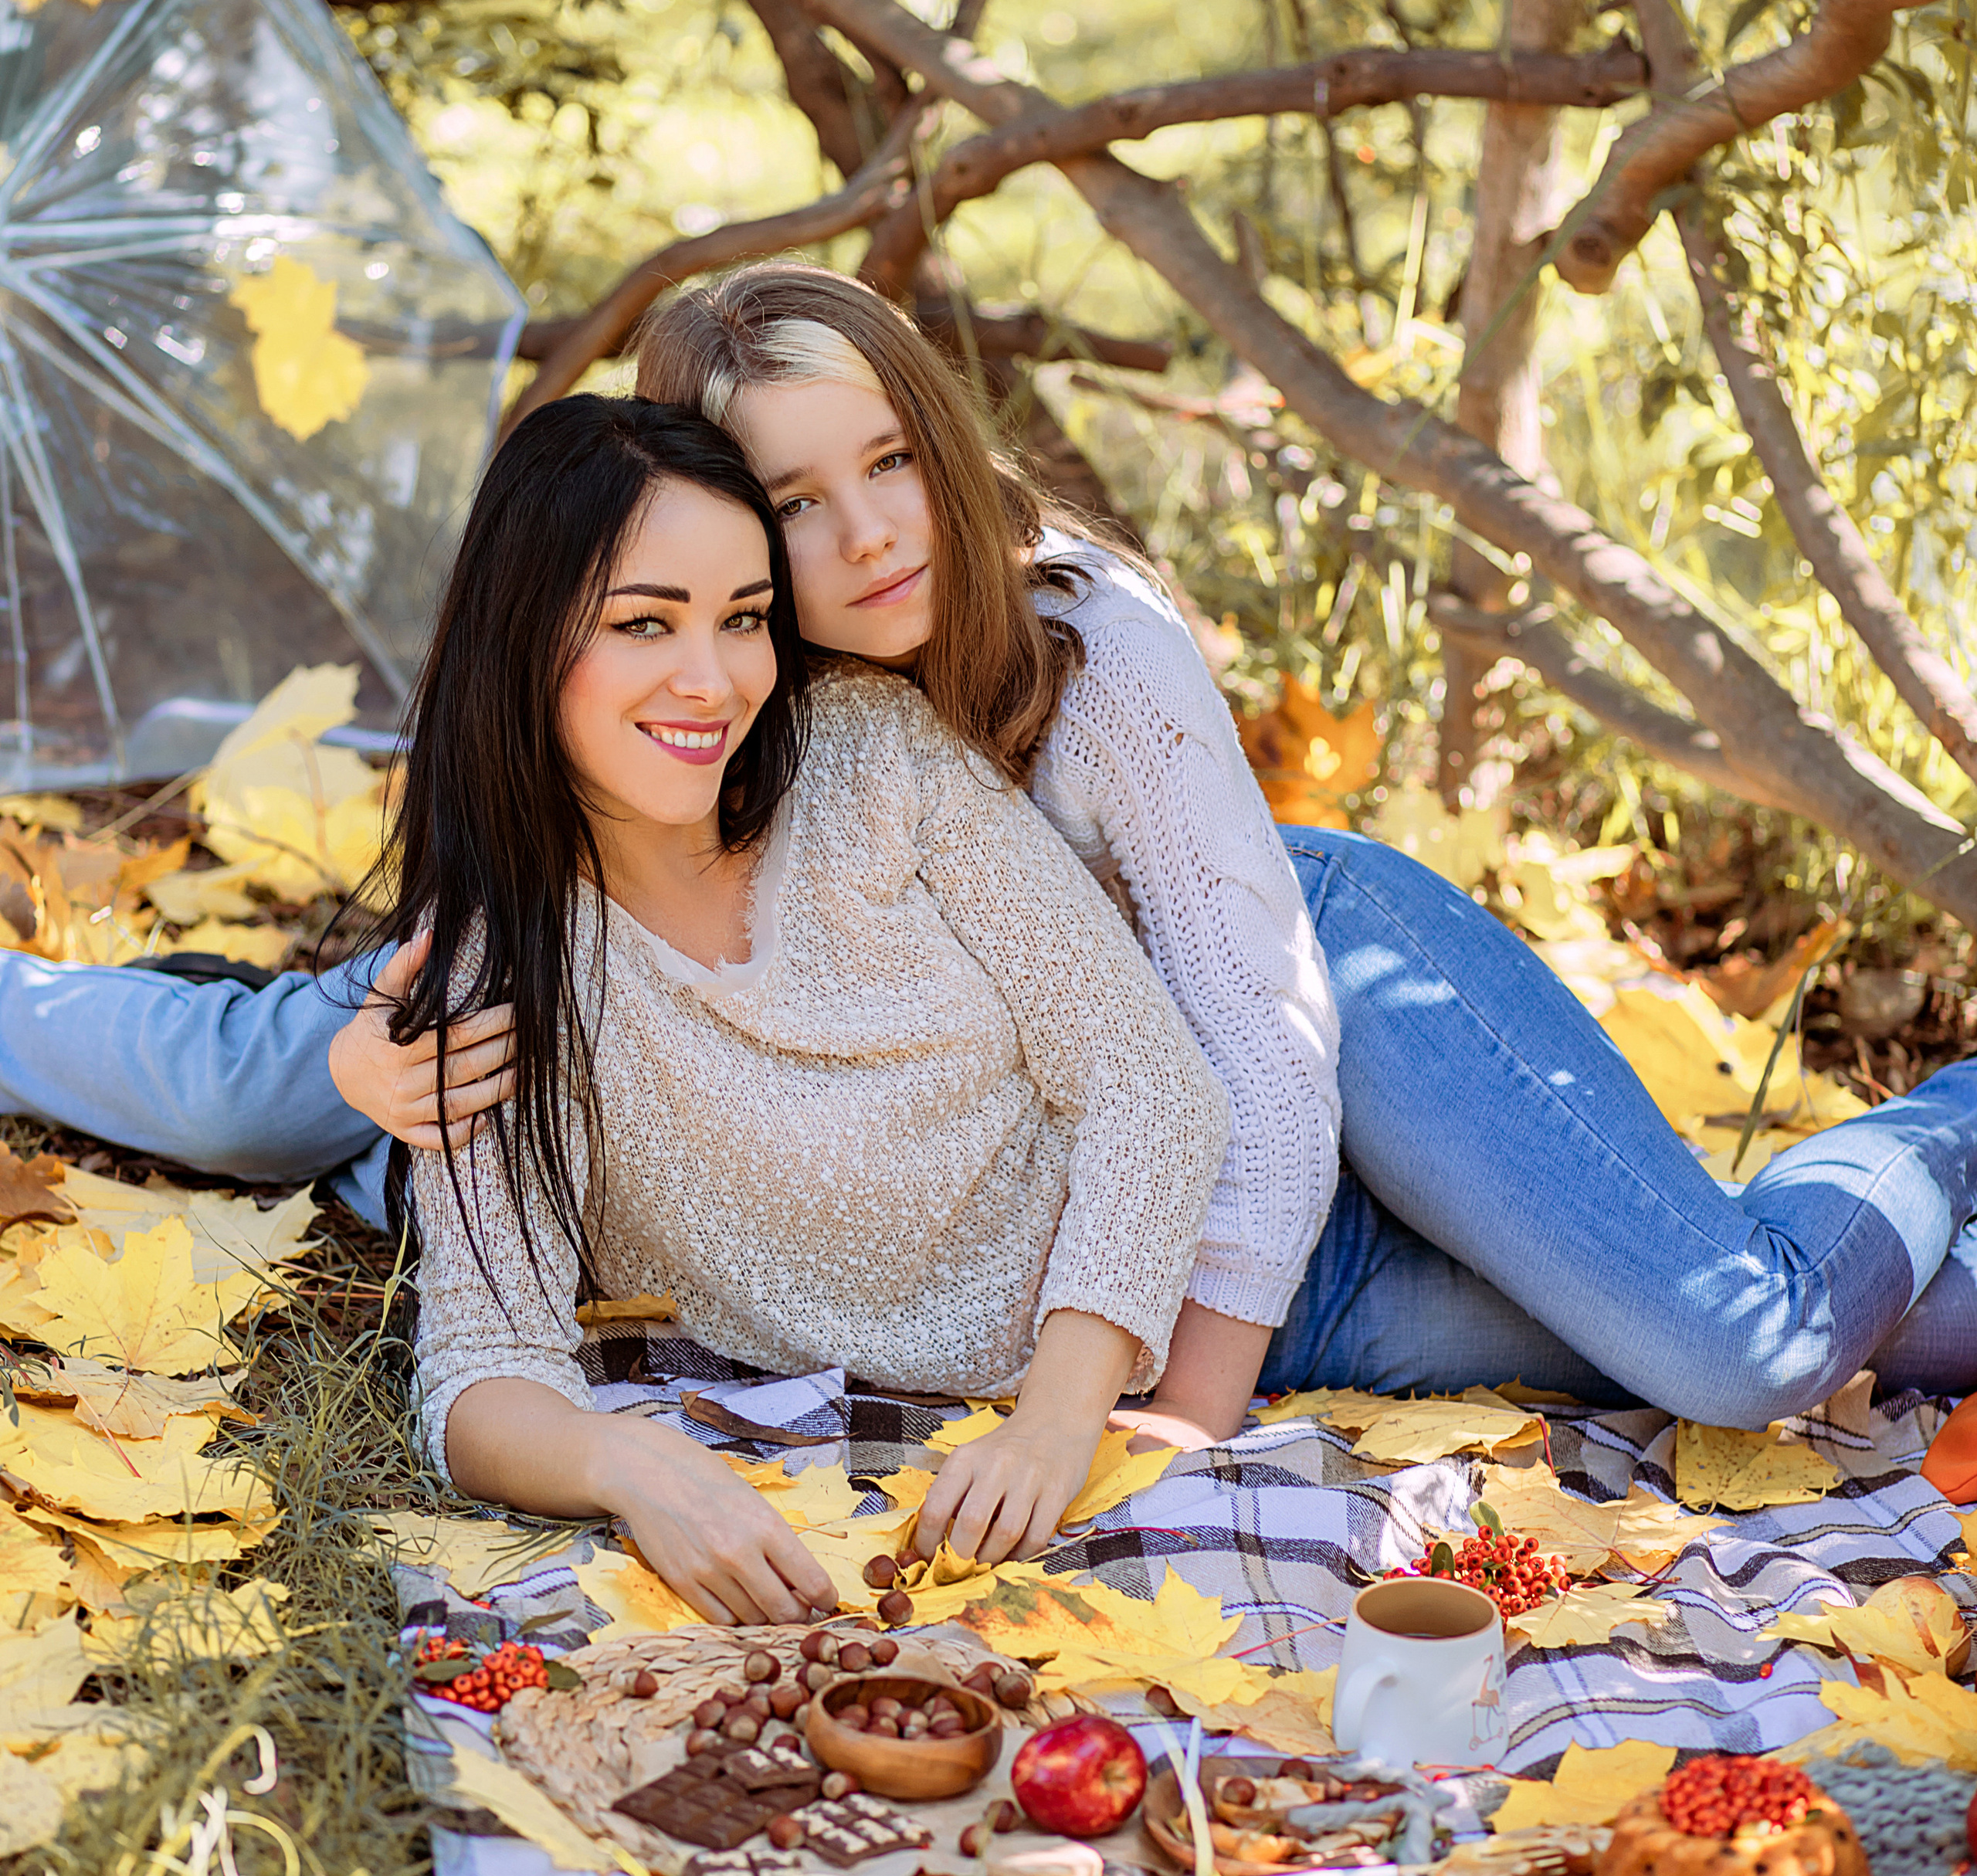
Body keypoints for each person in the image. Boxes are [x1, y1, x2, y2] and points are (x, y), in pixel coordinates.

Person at [4, 261, 1977, 1425]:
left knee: (1736, 1352)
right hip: (1029, 1168)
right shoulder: (709, 688)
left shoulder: (1089, 648)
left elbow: (1250, 1059)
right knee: (292, 1074)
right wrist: (373, 1065)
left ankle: (1948, 1115)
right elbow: (523, 877)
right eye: (792, 500)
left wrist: (1170, 1420)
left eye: (890, 462)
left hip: (1297, 1045)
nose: (869, 537)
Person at [380, 392, 1227, 1619]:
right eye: (644, 624)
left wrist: (1052, 1432)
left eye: (744, 619)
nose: (712, 680)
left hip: (1253, 1261)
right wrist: (631, 1461)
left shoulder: (865, 752)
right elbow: (479, 1368)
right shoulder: (503, 970)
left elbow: (1148, 1084)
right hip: (1170, 1345)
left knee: (1619, 1312)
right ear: (523, 638)